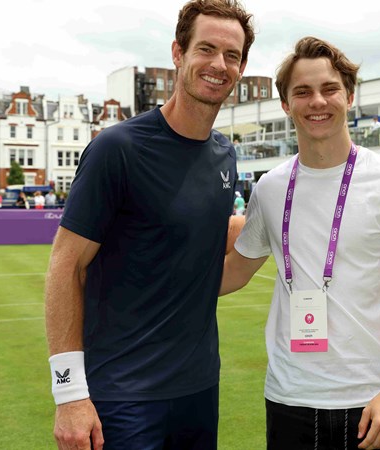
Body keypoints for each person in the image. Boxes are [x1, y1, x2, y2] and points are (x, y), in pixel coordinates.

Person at [43, 1, 255, 449]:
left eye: (232, 56)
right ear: (178, 53)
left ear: (241, 68)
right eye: (206, 49)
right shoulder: (117, 148)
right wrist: (68, 394)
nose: (219, 65)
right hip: (123, 397)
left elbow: (192, 257)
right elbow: (66, 267)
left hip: (199, 391)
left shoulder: (224, 154)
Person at [220, 37, 380, 450]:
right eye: (302, 92)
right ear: (286, 104)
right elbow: (233, 273)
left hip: (373, 402)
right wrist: (149, 272)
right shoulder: (270, 187)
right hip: (290, 398)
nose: (317, 101)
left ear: (349, 96)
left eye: (329, 89)